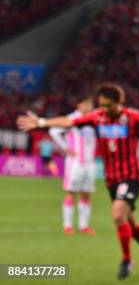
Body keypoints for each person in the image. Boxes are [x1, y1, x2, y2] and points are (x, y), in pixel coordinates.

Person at [17, 83, 139, 280]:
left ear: (119, 102)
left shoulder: (131, 117)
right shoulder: (97, 117)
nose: (105, 109)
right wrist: (41, 122)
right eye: (102, 105)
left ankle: (126, 260)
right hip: (112, 179)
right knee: (129, 224)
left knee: (118, 214)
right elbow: (68, 122)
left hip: (132, 176)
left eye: (109, 106)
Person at [49, 97, 97, 235]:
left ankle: (83, 226)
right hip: (75, 162)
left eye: (90, 104)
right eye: (86, 104)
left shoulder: (93, 119)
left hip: (90, 162)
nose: (88, 107)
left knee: (86, 194)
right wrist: (65, 148)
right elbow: (53, 131)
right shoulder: (71, 119)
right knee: (71, 192)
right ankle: (68, 225)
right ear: (79, 105)